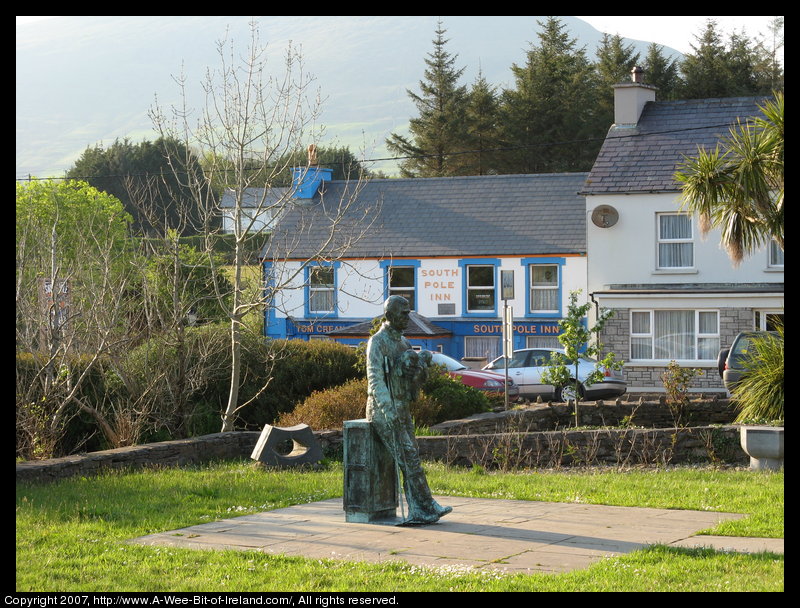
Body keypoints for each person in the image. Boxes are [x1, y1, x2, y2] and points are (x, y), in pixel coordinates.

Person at [365, 296, 452, 525]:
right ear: (390, 315)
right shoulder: (378, 342)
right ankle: (425, 507)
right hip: (383, 411)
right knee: (409, 458)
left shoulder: (403, 342)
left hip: (402, 408)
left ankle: (421, 508)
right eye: (403, 313)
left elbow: (411, 381)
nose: (408, 317)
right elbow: (375, 380)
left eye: (408, 312)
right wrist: (388, 409)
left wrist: (420, 371)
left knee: (411, 457)